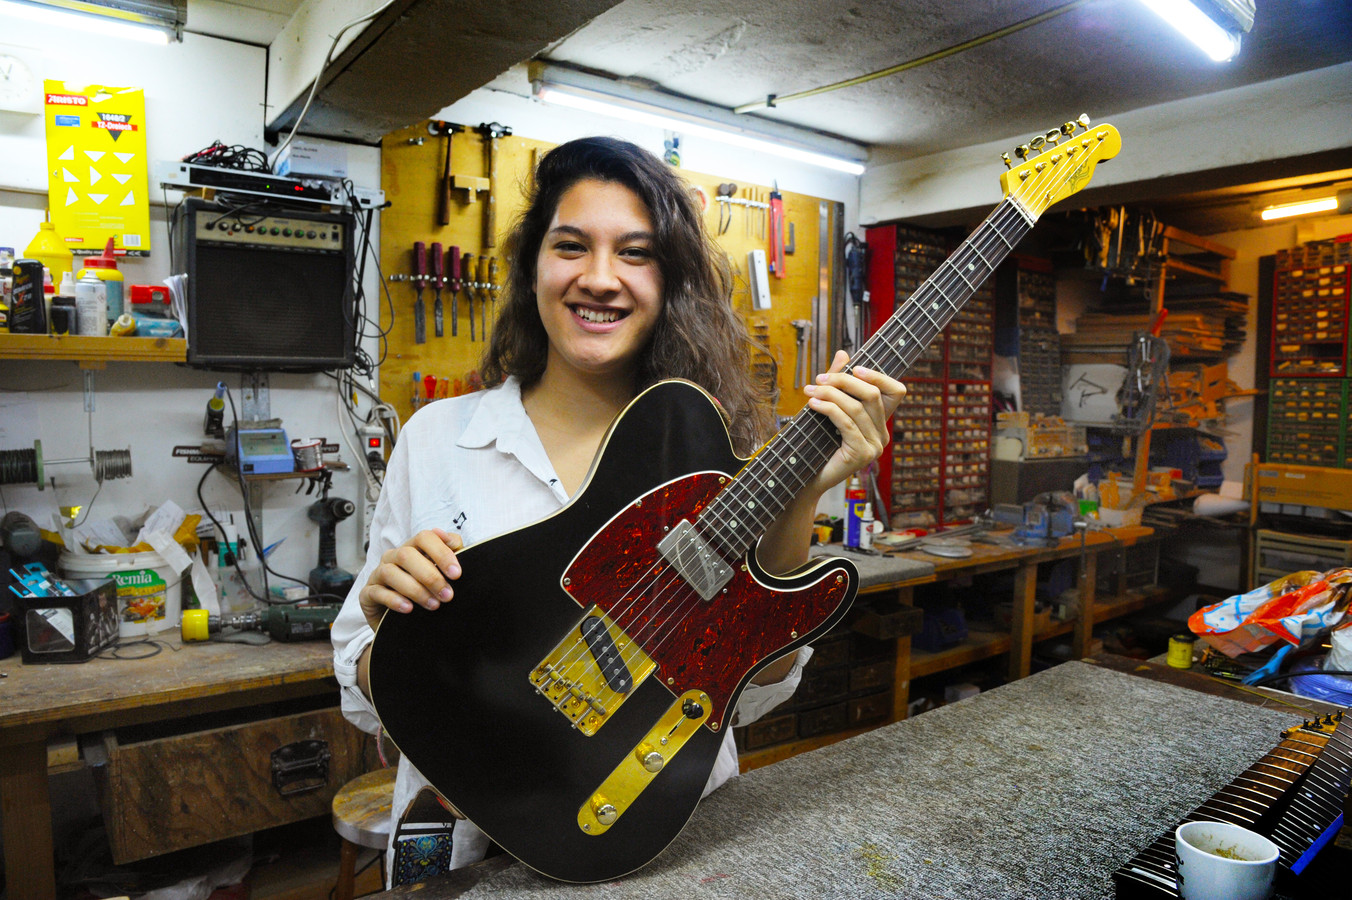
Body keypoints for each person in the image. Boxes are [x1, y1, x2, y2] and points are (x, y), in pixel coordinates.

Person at [331, 135, 906, 886]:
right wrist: (391, 631)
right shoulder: (438, 437)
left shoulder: (715, 451)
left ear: (670, 283)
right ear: (532, 265)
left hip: (661, 839)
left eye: (635, 253)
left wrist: (806, 490)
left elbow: (756, 691)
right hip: (469, 845)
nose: (600, 279)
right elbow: (359, 682)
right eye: (572, 246)